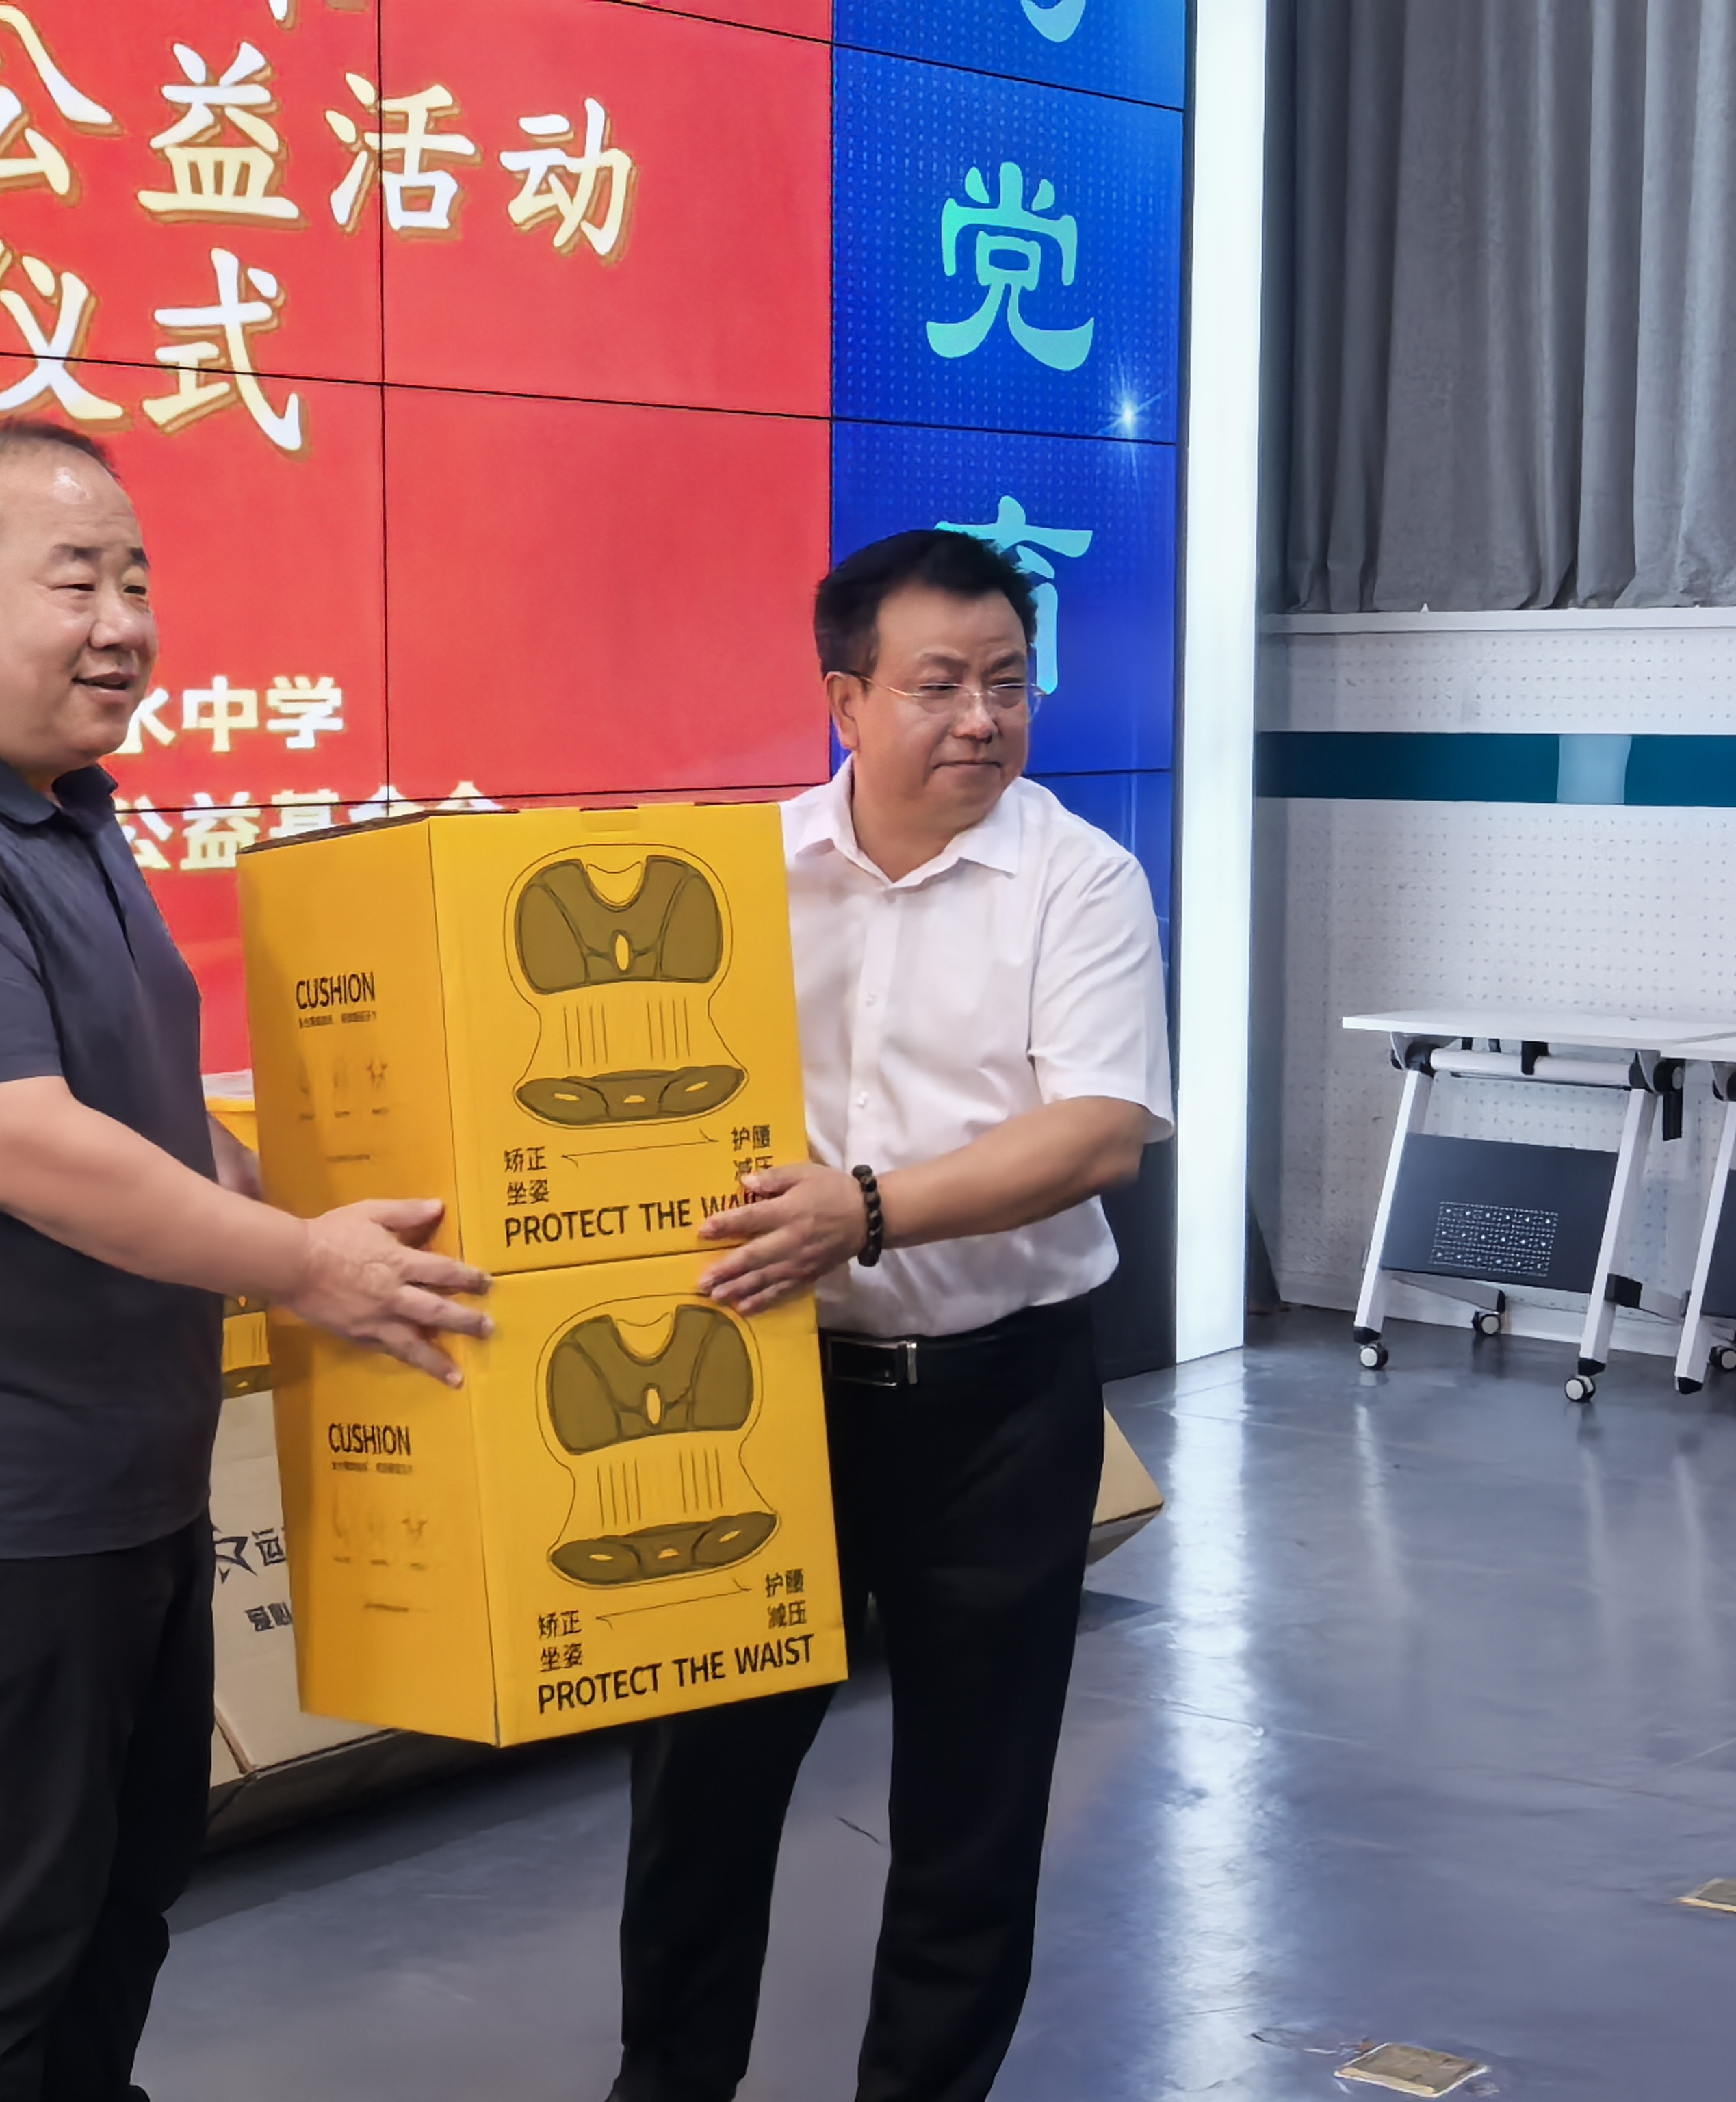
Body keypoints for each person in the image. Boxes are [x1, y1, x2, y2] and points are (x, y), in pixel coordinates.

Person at [0, 417, 490, 2101]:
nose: (122, 625)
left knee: (110, 1904)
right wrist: (299, 1264)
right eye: (74, 581)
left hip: (105, 1490)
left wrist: (296, 1194)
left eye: (136, 583)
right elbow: (16, 1144)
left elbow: (129, 1109)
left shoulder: (58, 815)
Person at [610, 530, 1174, 2102]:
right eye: (939, 685)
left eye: (1007, 683)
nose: (981, 719)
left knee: (971, 1808)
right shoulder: (735, 879)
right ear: (844, 698)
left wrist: (858, 1210)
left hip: (998, 1402)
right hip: (761, 1393)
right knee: (699, 1787)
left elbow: (1095, 1135)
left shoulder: (1079, 878)